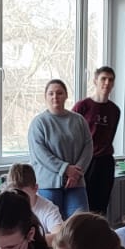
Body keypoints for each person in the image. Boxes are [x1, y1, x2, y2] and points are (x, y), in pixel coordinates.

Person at [27, 77, 93, 219]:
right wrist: (65, 169)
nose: (55, 96)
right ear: (45, 96)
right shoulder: (39, 123)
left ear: (66, 95)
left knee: (80, 224)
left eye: (59, 93)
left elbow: (88, 147)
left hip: (76, 182)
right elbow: (40, 153)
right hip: (49, 184)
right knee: (51, 225)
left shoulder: (79, 120)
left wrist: (76, 173)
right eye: (51, 93)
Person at [71, 66, 122, 214]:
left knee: (101, 205)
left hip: (105, 161)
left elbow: (110, 136)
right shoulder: (83, 106)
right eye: (103, 79)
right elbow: (71, 134)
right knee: (83, 203)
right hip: (86, 161)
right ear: (95, 81)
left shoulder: (114, 110)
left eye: (110, 80)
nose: (107, 83)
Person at [0, 161, 62, 239]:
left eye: (24, 195)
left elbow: (59, 237)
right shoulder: (3, 206)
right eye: (14, 195)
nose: (19, 201)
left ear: (35, 188)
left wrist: (23, 241)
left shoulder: (49, 209)